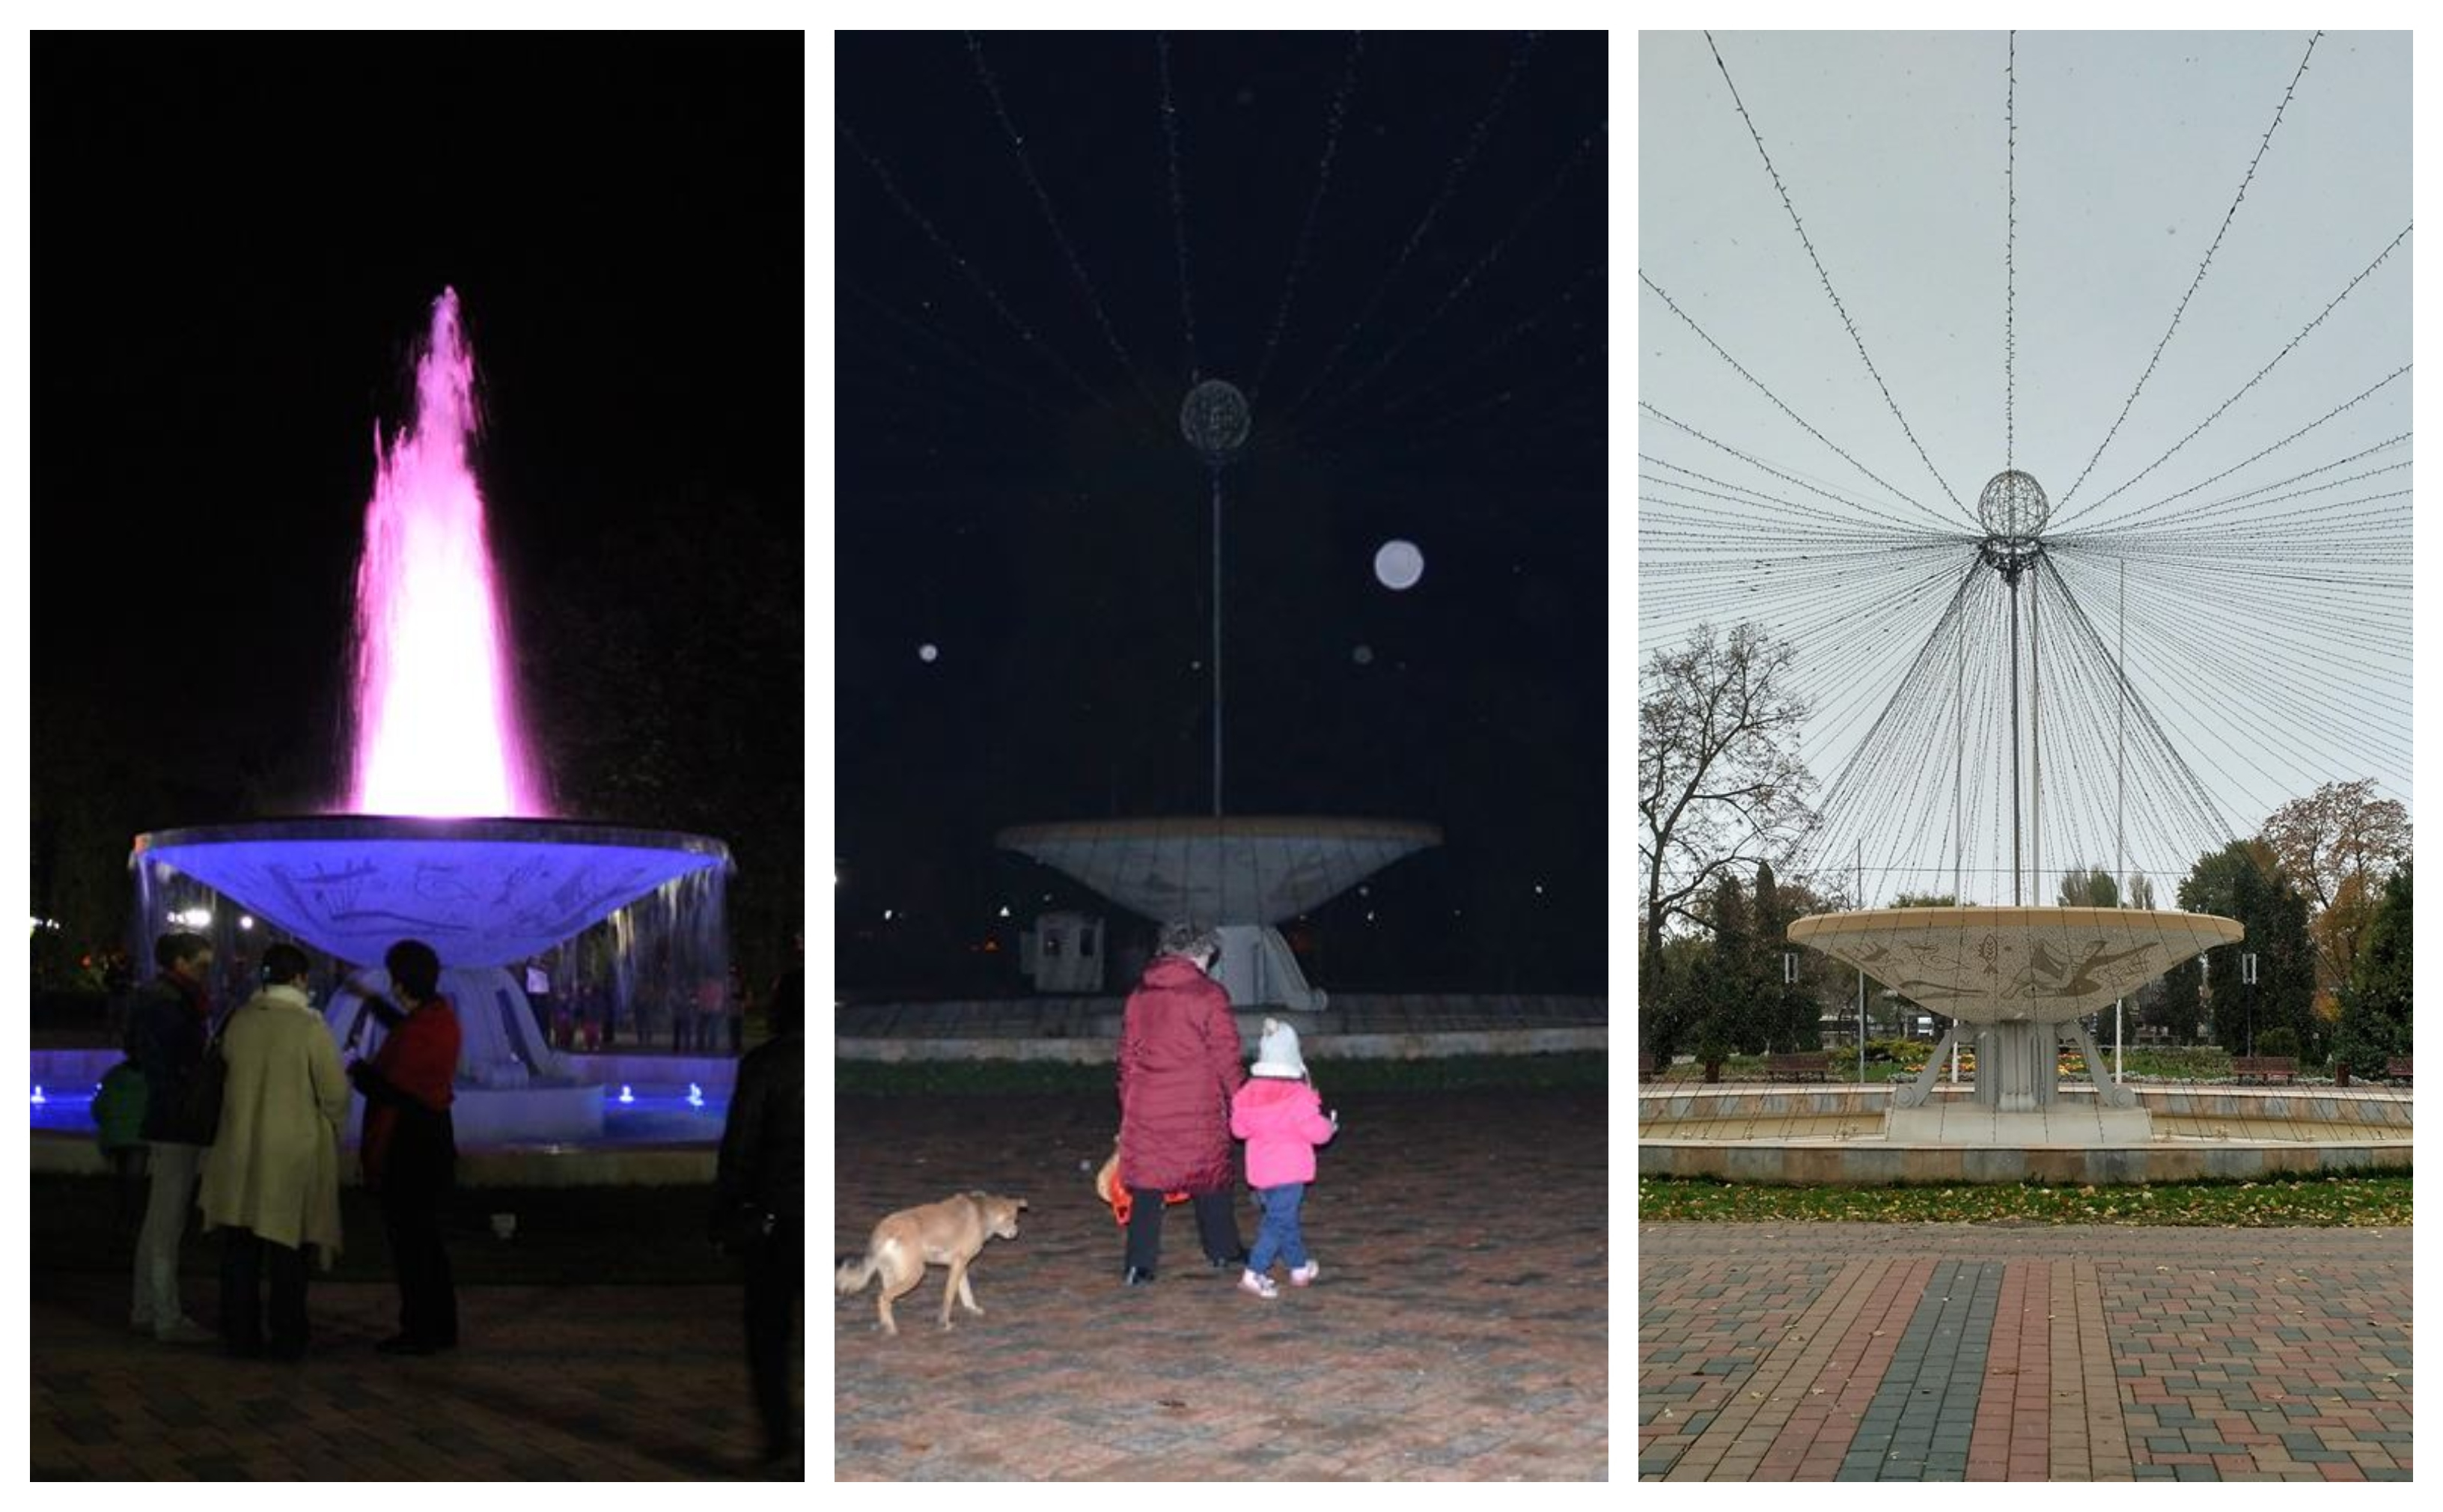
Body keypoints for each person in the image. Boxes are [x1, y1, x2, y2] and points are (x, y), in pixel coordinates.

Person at [198, 943, 348, 1359]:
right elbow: (335, 1092)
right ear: (301, 979)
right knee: (288, 1249)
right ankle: (287, 1336)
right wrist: (333, 1122)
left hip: (239, 1149)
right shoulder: (308, 1026)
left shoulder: (240, 1020)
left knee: (240, 1247)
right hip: (289, 1153)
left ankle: (239, 1333)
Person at [1114, 921, 1248, 1285]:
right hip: (1197, 1102)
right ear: (1201, 953)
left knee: (1147, 1184)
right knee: (1210, 1175)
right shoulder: (1209, 994)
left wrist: (1128, 1102)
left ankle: (1139, 1266)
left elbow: (1126, 1056)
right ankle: (1223, 1250)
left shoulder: (1139, 995)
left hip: (1147, 1103)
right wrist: (1242, 1100)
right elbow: (1226, 1054)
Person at [347, 939, 460, 1355]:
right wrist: (372, 1001)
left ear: (402, 982)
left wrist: (354, 1068)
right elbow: (404, 1030)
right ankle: (440, 1325)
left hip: (411, 1149)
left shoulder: (422, 1032)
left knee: (413, 1243)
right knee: (427, 1242)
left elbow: (392, 1090)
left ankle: (421, 1330)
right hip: (431, 1142)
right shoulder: (437, 1018)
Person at [713, 968, 804, 1471]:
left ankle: (778, 1437)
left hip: (775, 1222)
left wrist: (727, 1211)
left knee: (769, 1334)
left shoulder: (766, 1064)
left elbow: (740, 1147)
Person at [127, 930, 218, 1343]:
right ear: (179, 963)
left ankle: (145, 1307)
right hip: (177, 1117)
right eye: (201, 965)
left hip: (165, 1115)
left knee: (157, 1218)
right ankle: (166, 1316)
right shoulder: (172, 1004)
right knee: (168, 1220)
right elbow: (182, 1059)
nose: (207, 973)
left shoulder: (157, 999)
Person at [1227, 1019, 1340, 1299]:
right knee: (1278, 1222)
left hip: (1262, 1175)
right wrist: (1331, 1126)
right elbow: (1318, 1134)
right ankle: (1254, 1272)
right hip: (1290, 1172)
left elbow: (1238, 1130)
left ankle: (1299, 1267)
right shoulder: (1298, 1096)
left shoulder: (1247, 1094)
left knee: (1284, 1220)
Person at [91, 1053, 150, 1235]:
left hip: (113, 1138)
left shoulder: (112, 1076)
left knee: (119, 1179)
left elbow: (97, 1109)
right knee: (133, 1183)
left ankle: (117, 1220)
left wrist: (108, 1125)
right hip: (138, 1140)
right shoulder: (151, 1079)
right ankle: (131, 1221)